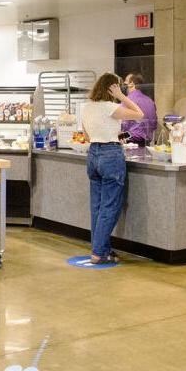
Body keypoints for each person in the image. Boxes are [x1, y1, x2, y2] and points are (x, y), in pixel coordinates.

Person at [81, 73, 144, 264]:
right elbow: (140, 115)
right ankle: (98, 252)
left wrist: (109, 131)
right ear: (112, 89)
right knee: (110, 205)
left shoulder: (87, 107)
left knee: (97, 206)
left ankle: (103, 248)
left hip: (93, 154)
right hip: (110, 154)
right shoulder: (111, 107)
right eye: (117, 87)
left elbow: (86, 135)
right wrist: (122, 97)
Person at [120, 73, 158, 146]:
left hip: (130, 141)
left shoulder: (127, 100)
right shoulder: (149, 100)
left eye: (125, 82)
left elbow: (123, 124)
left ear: (131, 84)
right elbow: (154, 125)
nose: (124, 85)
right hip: (146, 143)